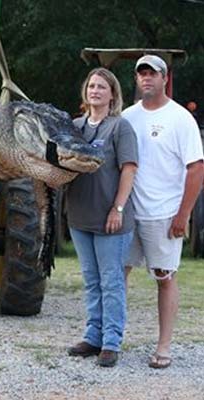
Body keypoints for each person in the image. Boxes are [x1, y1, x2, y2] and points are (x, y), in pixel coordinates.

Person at [123, 55, 204, 369]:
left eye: (152, 74)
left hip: (164, 213)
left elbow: (196, 169)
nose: (146, 79)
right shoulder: (127, 117)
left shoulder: (180, 118)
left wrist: (183, 215)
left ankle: (164, 346)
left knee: (164, 277)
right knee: (118, 274)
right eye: (141, 73)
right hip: (129, 211)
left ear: (164, 78)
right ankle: (111, 340)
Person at [65, 68, 138, 367]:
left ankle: (111, 342)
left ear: (112, 94)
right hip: (80, 216)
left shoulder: (120, 128)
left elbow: (129, 170)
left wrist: (117, 208)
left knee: (111, 281)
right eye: (91, 86)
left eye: (102, 87)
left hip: (111, 220)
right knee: (91, 281)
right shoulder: (74, 126)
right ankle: (92, 336)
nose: (95, 90)